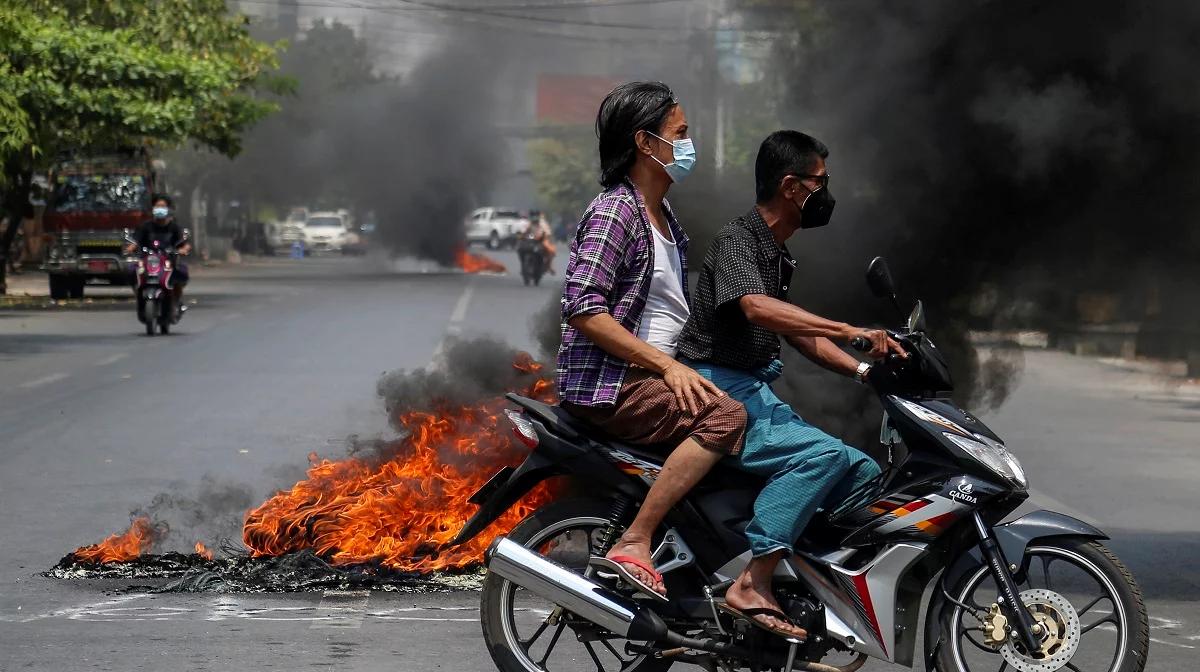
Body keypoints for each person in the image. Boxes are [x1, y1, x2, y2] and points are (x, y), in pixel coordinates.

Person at [676, 130, 906, 638]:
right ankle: (752, 582)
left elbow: (799, 337)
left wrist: (866, 371)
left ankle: (796, 576)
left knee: (862, 471)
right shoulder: (741, 239)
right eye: (819, 182)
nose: (826, 193)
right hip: (720, 388)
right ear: (791, 187)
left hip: (751, 388)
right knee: (820, 456)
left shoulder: (777, 252)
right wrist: (848, 330)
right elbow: (756, 307)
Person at [557, 81, 747, 600]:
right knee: (726, 416)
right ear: (646, 143)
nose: (688, 145)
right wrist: (667, 368)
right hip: (617, 384)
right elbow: (584, 309)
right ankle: (636, 540)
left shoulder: (667, 222)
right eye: (680, 134)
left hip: (652, 376)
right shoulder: (616, 212)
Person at [126, 195, 191, 304]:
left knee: (180, 272)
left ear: (168, 209)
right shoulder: (145, 226)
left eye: (162, 206)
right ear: (153, 209)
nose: (159, 209)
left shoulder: (174, 228)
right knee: (131, 270)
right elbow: (136, 241)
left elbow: (184, 244)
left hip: (168, 261)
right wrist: (131, 247)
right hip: (148, 260)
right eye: (157, 206)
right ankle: (139, 297)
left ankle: (177, 301)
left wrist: (183, 250)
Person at [525, 210, 556, 274]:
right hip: (531, 240)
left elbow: (548, 232)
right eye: (533, 215)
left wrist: (545, 235)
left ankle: (549, 266)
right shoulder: (529, 223)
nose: (534, 217)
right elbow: (525, 231)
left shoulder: (543, 223)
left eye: (536, 215)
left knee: (550, 251)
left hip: (542, 240)